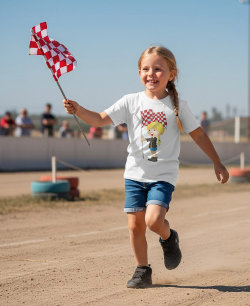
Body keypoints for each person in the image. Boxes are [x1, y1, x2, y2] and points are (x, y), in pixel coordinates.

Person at [63, 46, 229, 289]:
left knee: (153, 221)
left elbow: (199, 135)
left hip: (163, 176)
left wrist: (217, 162)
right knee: (135, 225)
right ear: (139, 72)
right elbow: (99, 119)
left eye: (158, 69)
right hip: (134, 175)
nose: (151, 74)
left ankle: (169, 237)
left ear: (171, 74)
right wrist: (78, 110)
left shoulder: (178, 105)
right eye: (145, 69)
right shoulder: (131, 101)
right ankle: (143, 270)